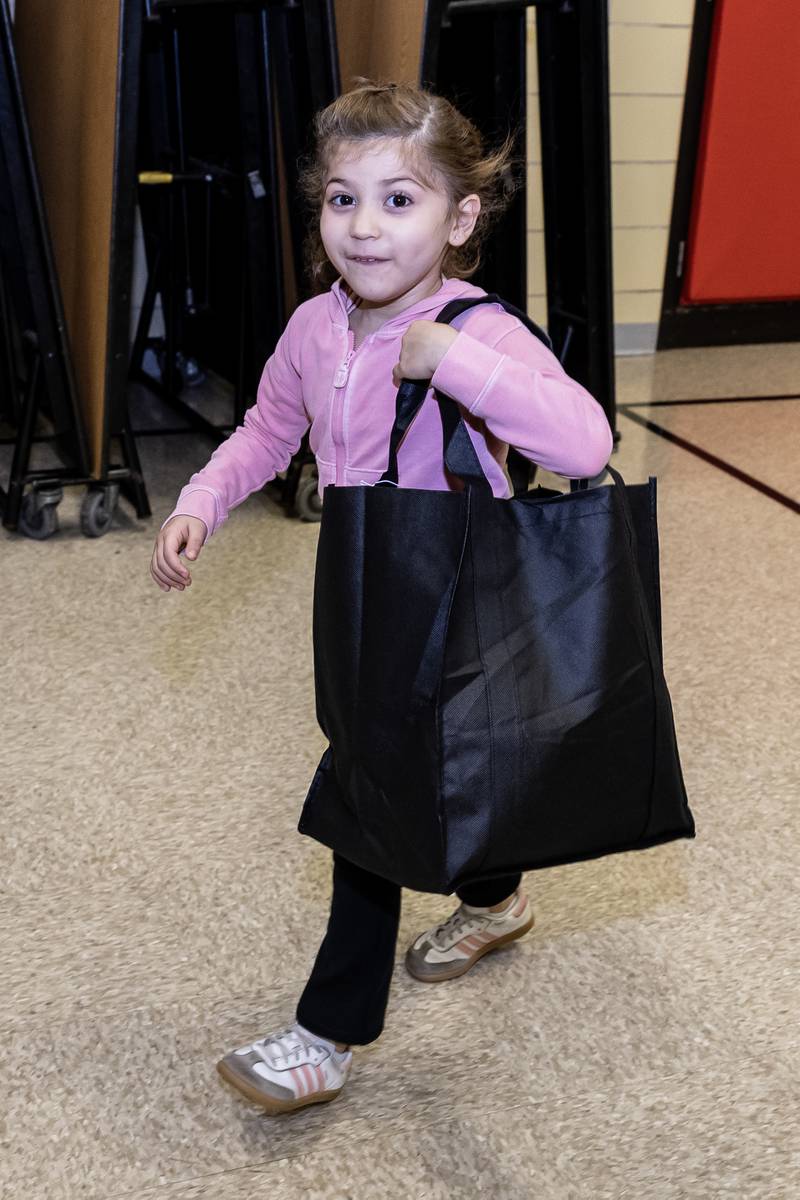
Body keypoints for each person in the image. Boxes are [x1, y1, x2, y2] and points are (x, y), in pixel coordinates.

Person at [149, 79, 613, 1116]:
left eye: (398, 201)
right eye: (340, 199)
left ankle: (327, 1032)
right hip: (364, 588)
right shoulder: (316, 327)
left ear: (457, 220)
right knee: (437, 773)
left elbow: (584, 442)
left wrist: (452, 363)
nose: (363, 226)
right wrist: (204, 500)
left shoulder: (476, 329)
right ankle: (496, 898)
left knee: (371, 792)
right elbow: (269, 429)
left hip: (470, 596)